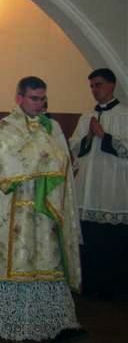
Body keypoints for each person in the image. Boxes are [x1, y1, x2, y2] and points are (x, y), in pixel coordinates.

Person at [0, 76, 81, 341]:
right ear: (19, 98)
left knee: (46, 262)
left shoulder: (51, 127)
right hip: (13, 208)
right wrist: (43, 158)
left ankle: (51, 321)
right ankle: (8, 321)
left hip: (44, 210)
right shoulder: (5, 128)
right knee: (15, 263)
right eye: (34, 98)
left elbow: (63, 159)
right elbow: (1, 164)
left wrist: (46, 157)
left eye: (43, 99)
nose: (40, 104)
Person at [69, 68, 128, 299]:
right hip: (89, 186)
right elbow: (74, 147)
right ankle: (90, 286)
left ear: (112, 85)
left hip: (114, 185)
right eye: (92, 86)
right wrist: (89, 136)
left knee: (114, 240)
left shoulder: (124, 115)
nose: (94, 90)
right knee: (90, 238)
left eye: (99, 85)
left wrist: (105, 136)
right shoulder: (86, 116)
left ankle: (116, 289)